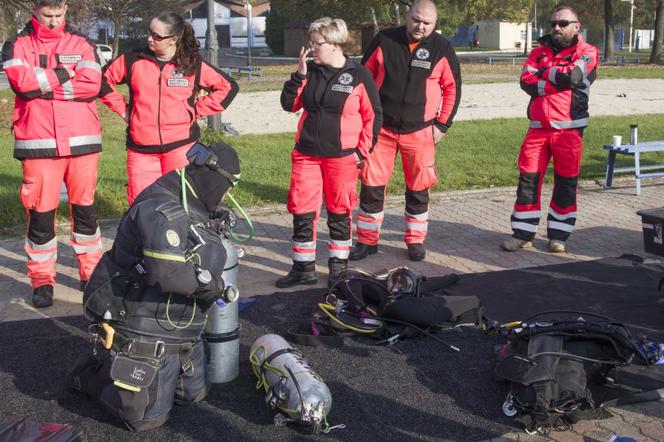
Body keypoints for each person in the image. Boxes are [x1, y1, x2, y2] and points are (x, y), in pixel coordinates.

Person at [70, 142, 240, 431]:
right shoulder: (160, 209)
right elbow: (169, 273)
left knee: (194, 396)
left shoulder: (192, 203)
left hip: (179, 328)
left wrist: (213, 223)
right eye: (230, 184)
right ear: (215, 177)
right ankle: (91, 376)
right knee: (147, 419)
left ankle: (164, 369)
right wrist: (212, 286)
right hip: (140, 321)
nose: (229, 194)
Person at [2, 0, 104, 308]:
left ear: (66, 9)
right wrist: (67, 72)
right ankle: (42, 280)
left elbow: (92, 86)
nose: (53, 20)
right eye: (48, 14)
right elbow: (23, 84)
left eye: (59, 14)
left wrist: (45, 81)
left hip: (82, 141)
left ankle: (92, 275)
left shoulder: (84, 43)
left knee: (85, 213)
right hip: (39, 142)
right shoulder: (16, 45)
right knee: (41, 217)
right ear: (34, 10)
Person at [350, 0, 461, 263]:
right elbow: (362, 82)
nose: (420, 26)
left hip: (421, 131)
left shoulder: (442, 47)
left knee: (419, 189)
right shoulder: (384, 40)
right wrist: (363, 123)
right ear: (407, 16)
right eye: (416, 20)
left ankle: (415, 240)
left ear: (435, 24)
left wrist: (442, 125)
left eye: (427, 23)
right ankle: (367, 241)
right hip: (382, 130)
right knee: (372, 186)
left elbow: (452, 88)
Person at [277, 17, 382, 288]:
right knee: (302, 210)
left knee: (339, 211)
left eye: (317, 43)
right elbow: (289, 105)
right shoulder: (311, 70)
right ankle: (303, 268)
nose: (311, 49)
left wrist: (361, 153)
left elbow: (374, 116)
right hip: (307, 154)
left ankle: (338, 266)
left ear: (335, 44)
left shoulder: (359, 75)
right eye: (310, 43)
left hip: (342, 157)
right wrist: (299, 74)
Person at [100, 11, 239, 204]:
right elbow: (101, 81)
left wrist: (195, 110)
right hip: (141, 151)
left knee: (182, 205)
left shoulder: (191, 64)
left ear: (173, 39)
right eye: (149, 33)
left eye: (157, 36)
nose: (150, 38)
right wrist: (123, 110)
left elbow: (228, 87)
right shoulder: (132, 59)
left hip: (181, 149)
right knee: (142, 206)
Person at [500, 6, 598, 254]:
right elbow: (526, 82)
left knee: (565, 184)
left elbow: (575, 75)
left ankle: (559, 237)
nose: (556, 27)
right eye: (552, 23)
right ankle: (523, 235)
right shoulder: (538, 52)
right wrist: (557, 79)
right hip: (537, 130)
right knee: (527, 183)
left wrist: (544, 75)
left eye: (563, 23)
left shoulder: (587, 52)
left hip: (569, 132)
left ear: (576, 26)